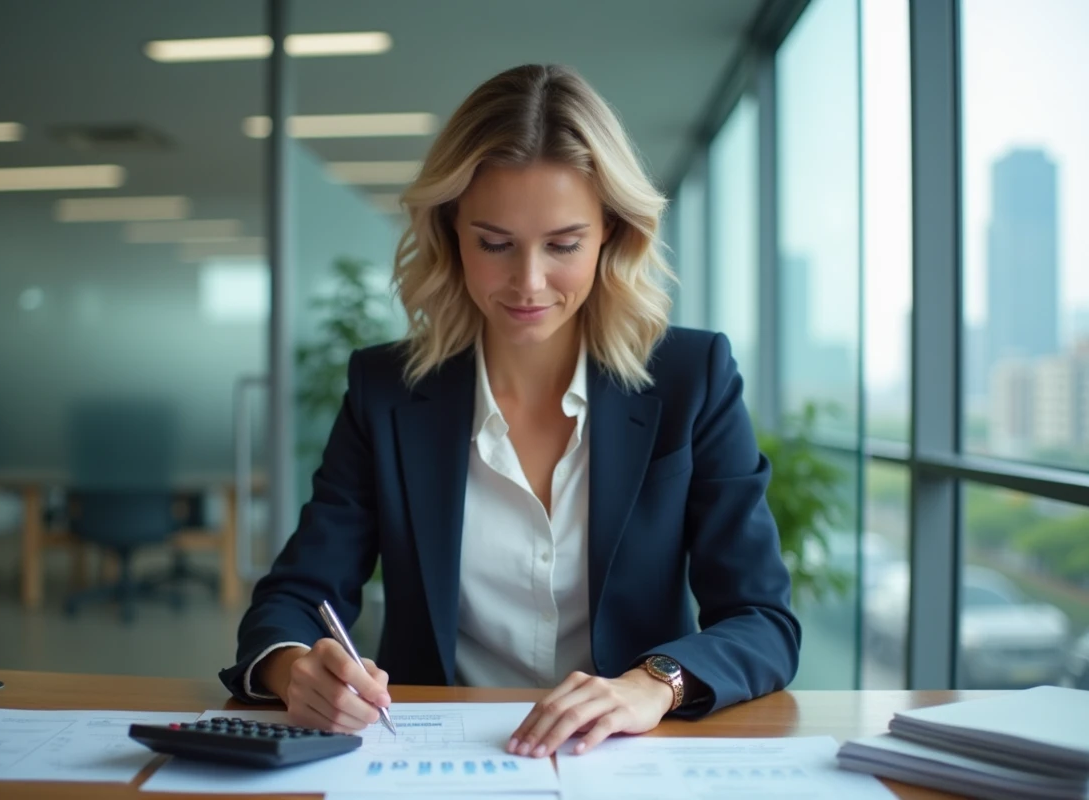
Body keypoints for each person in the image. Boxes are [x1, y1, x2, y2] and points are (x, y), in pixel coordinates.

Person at [220, 63, 800, 757]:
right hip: (433, 760)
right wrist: (295, 670)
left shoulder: (690, 378)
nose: (528, 283)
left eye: (563, 245)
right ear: (450, 234)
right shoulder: (388, 390)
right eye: (494, 244)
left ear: (612, 235)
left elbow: (762, 619)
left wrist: (653, 684)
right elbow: (295, 595)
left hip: (624, 763)